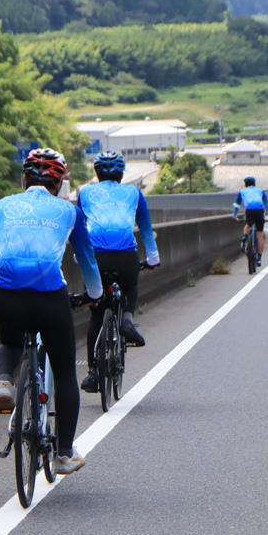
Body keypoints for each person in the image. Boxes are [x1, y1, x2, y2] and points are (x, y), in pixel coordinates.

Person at [0, 148, 102, 474]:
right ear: (60, 183)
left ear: (24, 179)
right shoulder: (70, 212)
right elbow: (87, 258)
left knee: (10, 343)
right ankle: (63, 454)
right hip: (50, 296)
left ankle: (5, 382)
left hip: (7, 293)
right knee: (65, 371)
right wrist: (95, 294)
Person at [76, 151, 160, 393]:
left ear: (97, 173)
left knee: (96, 313)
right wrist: (153, 258)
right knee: (130, 286)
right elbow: (145, 227)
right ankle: (127, 320)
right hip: (125, 257)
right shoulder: (134, 193)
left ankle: (93, 373)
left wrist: (77, 256)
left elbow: (79, 229)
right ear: (121, 174)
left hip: (96, 258)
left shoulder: (84, 193)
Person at [233, 175, 268, 267]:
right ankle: (259, 258)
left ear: (245, 184)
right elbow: (266, 203)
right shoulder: (260, 191)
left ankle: (244, 238)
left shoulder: (242, 191)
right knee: (260, 235)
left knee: (248, 225)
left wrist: (234, 216)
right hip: (259, 211)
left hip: (249, 211)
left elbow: (237, 205)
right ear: (254, 184)